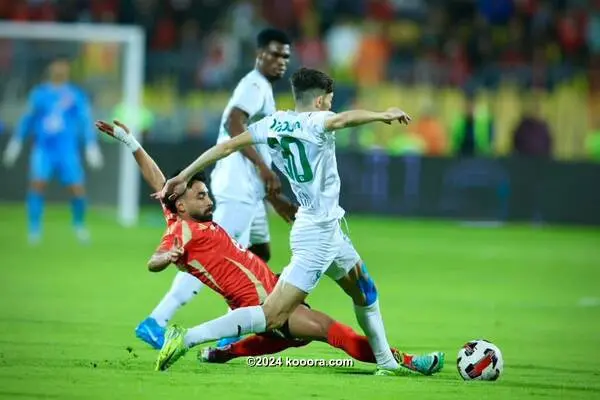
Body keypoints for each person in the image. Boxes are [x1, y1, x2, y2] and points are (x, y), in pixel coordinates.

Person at [156, 67, 445, 376]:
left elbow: (226, 146)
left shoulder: (271, 124)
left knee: (364, 289)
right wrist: (381, 114)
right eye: (330, 100)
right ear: (320, 101)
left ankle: (386, 363)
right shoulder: (317, 121)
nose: (331, 106)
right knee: (272, 315)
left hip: (326, 226)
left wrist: (184, 174)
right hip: (315, 235)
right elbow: (343, 119)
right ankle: (187, 338)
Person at [135, 28, 294, 349]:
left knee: (258, 253)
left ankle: (232, 328)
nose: (280, 61)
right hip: (234, 191)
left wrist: (272, 195)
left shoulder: (263, 88)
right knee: (209, 258)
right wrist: (264, 170)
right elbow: (234, 123)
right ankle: (156, 322)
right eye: (274, 54)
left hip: (248, 194)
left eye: (285, 57)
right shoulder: (253, 84)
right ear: (259, 54)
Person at [2, 56, 103, 244]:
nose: (60, 69)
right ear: (51, 69)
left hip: (67, 150)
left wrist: (91, 145)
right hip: (44, 149)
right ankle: (34, 229)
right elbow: (28, 119)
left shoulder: (75, 94)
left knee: (77, 189)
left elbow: (85, 120)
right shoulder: (40, 94)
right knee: (37, 184)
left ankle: (79, 225)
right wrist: (16, 142)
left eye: (63, 66)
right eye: (57, 65)